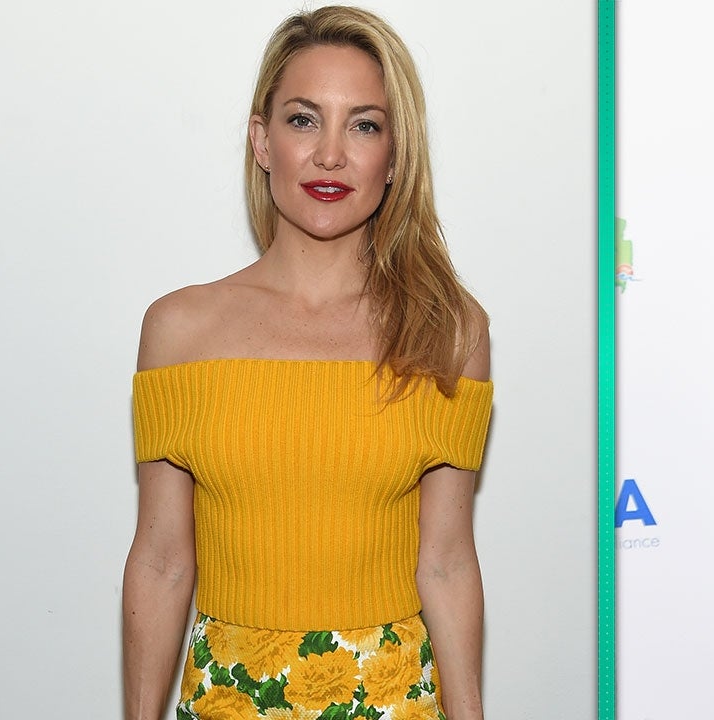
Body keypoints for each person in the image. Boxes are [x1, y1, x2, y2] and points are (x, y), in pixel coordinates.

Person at [122, 7, 492, 720]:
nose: (330, 155)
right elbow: (162, 560)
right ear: (262, 141)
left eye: (364, 126)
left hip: (394, 700)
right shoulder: (179, 331)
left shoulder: (447, 330)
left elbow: (447, 561)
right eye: (303, 120)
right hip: (229, 698)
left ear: (396, 155)